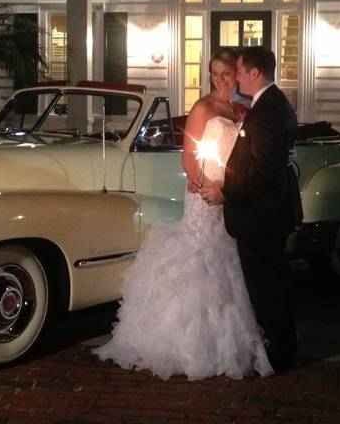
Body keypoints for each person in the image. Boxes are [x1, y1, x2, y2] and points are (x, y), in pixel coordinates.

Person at [93, 47, 273, 380]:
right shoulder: (203, 108)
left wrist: (231, 190)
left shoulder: (243, 110)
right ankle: (190, 343)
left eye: (226, 72)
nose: (220, 78)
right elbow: (189, 155)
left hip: (233, 196)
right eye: (215, 72)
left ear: (238, 73)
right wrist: (204, 185)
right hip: (205, 196)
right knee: (202, 259)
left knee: (233, 260)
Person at [199, 46, 302, 370]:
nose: (236, 76)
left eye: (240, 71)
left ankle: (279, 352)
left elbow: (263, 171)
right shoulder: (270, 105)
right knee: (268, 284)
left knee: (266, 287)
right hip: (264, 211)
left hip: (261, 214)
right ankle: (278, 344)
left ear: (255, 73)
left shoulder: (268, 110)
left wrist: (227, 193)